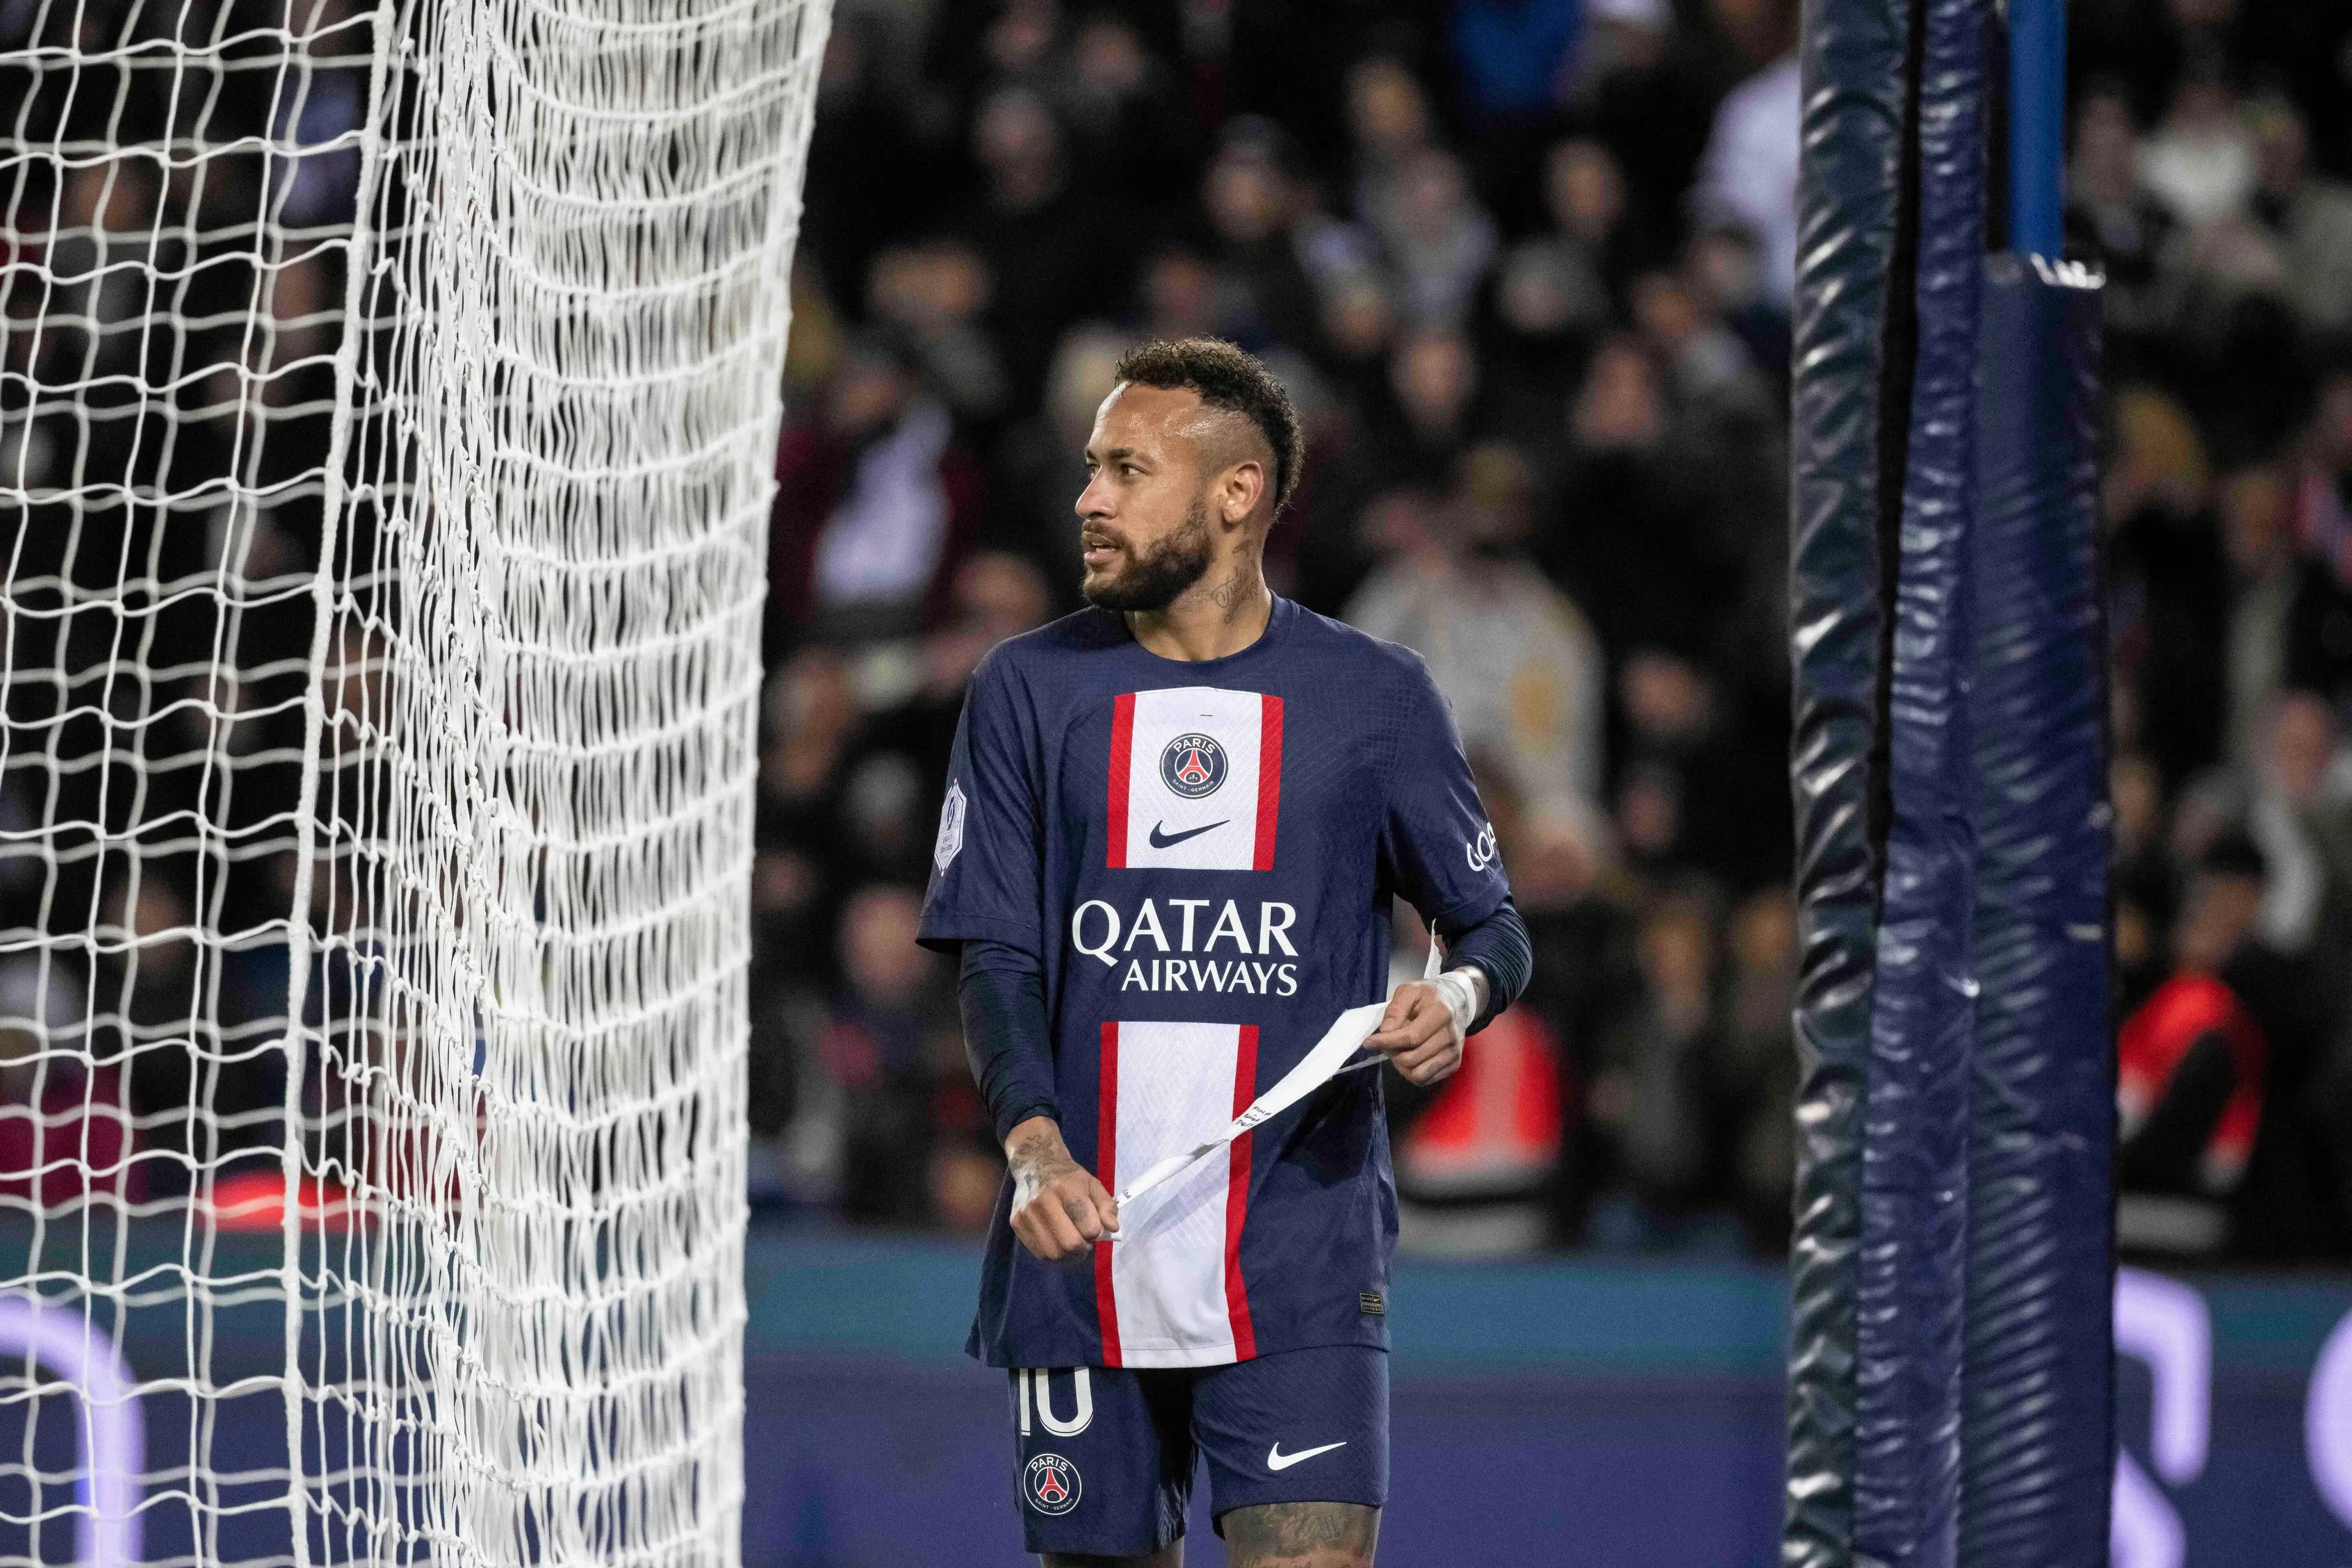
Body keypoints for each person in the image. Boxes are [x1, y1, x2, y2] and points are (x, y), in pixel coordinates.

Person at [918, 337, 1533, 1566]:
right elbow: (995, 955)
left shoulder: (1372, 696)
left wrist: (1452, 996)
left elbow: (1492, 926)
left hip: (1297, 1259)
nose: (1088, 498)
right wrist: (1035, 1149)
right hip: (1079, 1256)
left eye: (1126, 470)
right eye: (1091, 468)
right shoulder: (1025, 689)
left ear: (1235, 493)